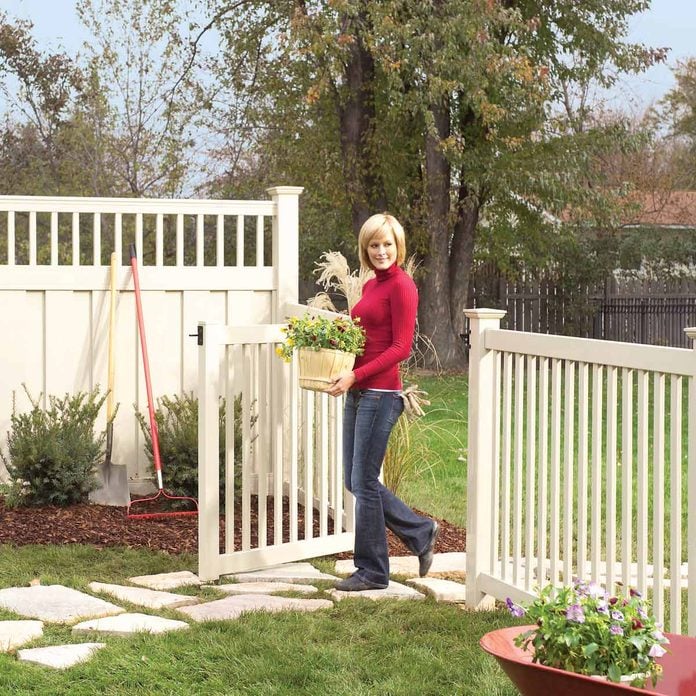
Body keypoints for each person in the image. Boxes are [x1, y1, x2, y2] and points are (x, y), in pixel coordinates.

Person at [327, 213, 439, 591]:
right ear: (365, 248)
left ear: (398, 246)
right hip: (357, 390)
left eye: (387, 244)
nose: (380, 251)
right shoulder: (373, 284)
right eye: (374, 245)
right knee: (355, 479)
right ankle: (420, 531)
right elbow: (366, 334)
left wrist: (356, 375)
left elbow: (400, 348)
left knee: (363, 481)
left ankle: (373, 570)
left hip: (381, 393)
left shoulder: (403, 287)